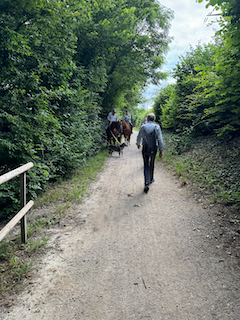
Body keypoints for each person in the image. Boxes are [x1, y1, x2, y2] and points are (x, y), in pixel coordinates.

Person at [136, 113, 163, 193]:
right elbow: (160, 140)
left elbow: (139, 137)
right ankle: (151, 178)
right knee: (152, 163)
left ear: (147, 119)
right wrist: (161, 150)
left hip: (145, 148)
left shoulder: (143, 127)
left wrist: (138, 144)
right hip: (153, 148)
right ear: (154, 120)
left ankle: (146, 182)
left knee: (146, 165)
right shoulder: (157, 127)